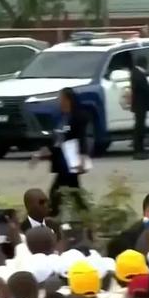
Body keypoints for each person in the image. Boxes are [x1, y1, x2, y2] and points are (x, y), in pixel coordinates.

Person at [40, 88, 89, 216]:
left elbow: (81, 138)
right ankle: (86, 214)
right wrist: (46, 152)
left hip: (71, 160)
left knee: (57, 191)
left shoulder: (78, 116)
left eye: (61, 99)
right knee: (73, 190)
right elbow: (58, 138)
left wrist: (82, 158)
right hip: (61, 159)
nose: (59, 101)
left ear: (68, 100)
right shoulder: (61, 117)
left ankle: (52, 216)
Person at [129, 54, 149, 161]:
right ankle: (138, 151)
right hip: (140, 105)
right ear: (143, 63)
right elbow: (144, 88)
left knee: (140, 127)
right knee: (139, 129)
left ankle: (141, 150)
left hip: (140, 105)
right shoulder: (138, 74)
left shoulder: (137, 73)